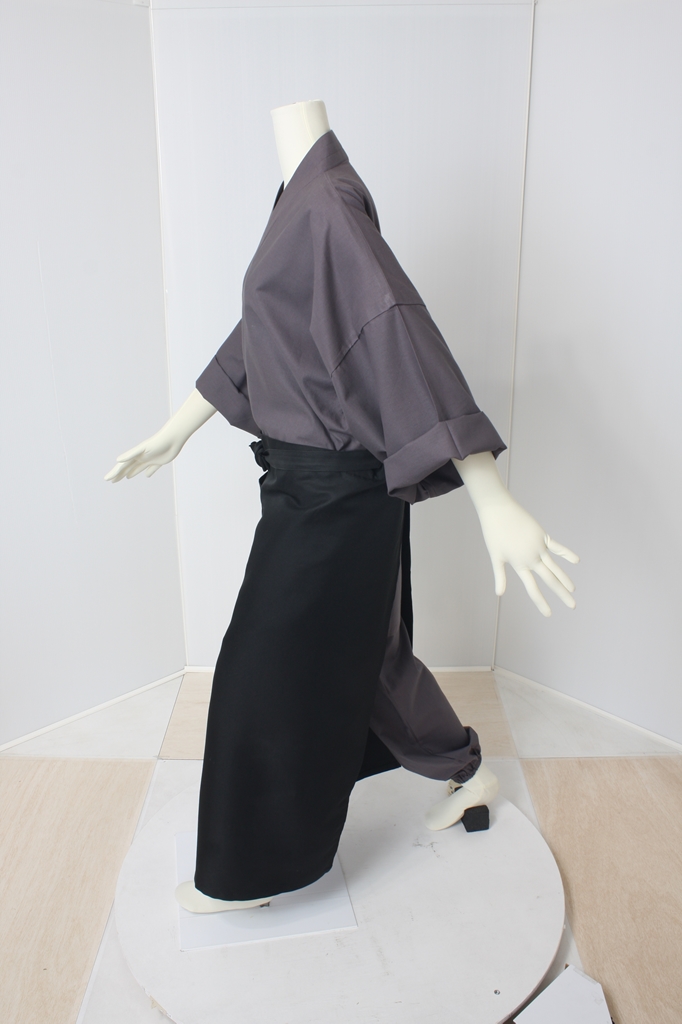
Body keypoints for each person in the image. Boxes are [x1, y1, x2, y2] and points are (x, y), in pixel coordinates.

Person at [106, 100, 579, 913]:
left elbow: (398, 336)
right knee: (373, 654)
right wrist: (177, 428)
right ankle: (466, 773)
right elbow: (269, 330)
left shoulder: (325, 206)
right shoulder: (306, 195)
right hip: (321, 487)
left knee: (264, 669)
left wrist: (491, 496)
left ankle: (246, 874)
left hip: (333, 498)